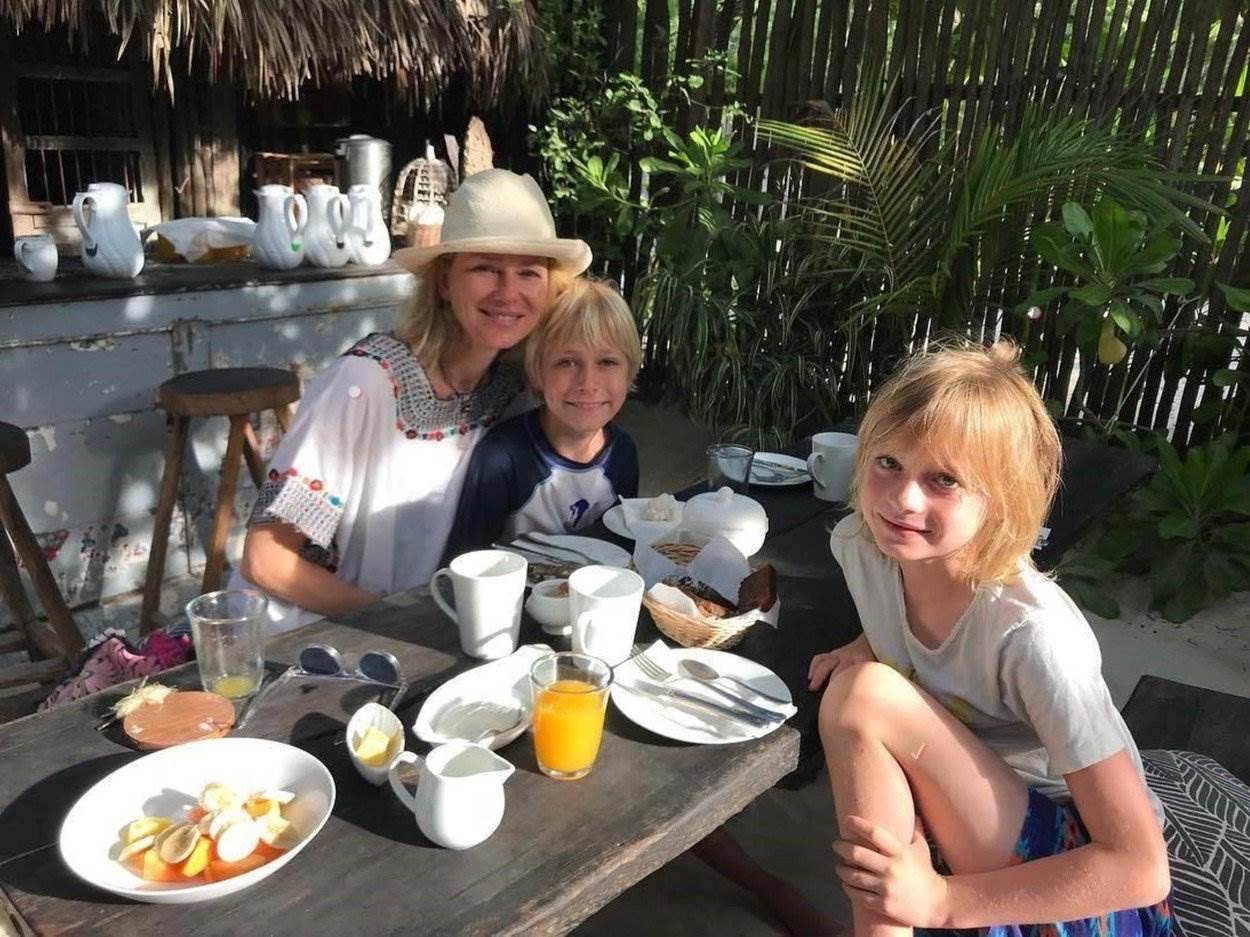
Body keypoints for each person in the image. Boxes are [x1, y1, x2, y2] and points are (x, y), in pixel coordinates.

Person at [808, 340, 1171, 935]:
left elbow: (1140, 868)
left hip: (1079, 888)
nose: (903, 498)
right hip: (974, 823)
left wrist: (943, 903)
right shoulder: (861, 547)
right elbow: (917, 627)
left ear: (1002, 502)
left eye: (944, 479)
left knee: (864, 696)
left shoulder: (1032, 635)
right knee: (862, 688)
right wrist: (868, 642)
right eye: (888, 462)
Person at [233, 169, 591, 632]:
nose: (508, 293)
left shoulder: (513, 386)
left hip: (428, 623)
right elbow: (266, 560)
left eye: (528, 272)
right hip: (308, 633)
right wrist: (397, 621)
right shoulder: (363, 384)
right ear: (444, 281)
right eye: (485, 268)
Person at [443, 277, 640, 558]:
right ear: (537, 371)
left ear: (629, 373)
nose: (588, 383)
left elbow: (622, 548)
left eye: (607, 362)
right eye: (566, 362)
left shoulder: (624, 453)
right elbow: (466, 563)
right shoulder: (501, 459)